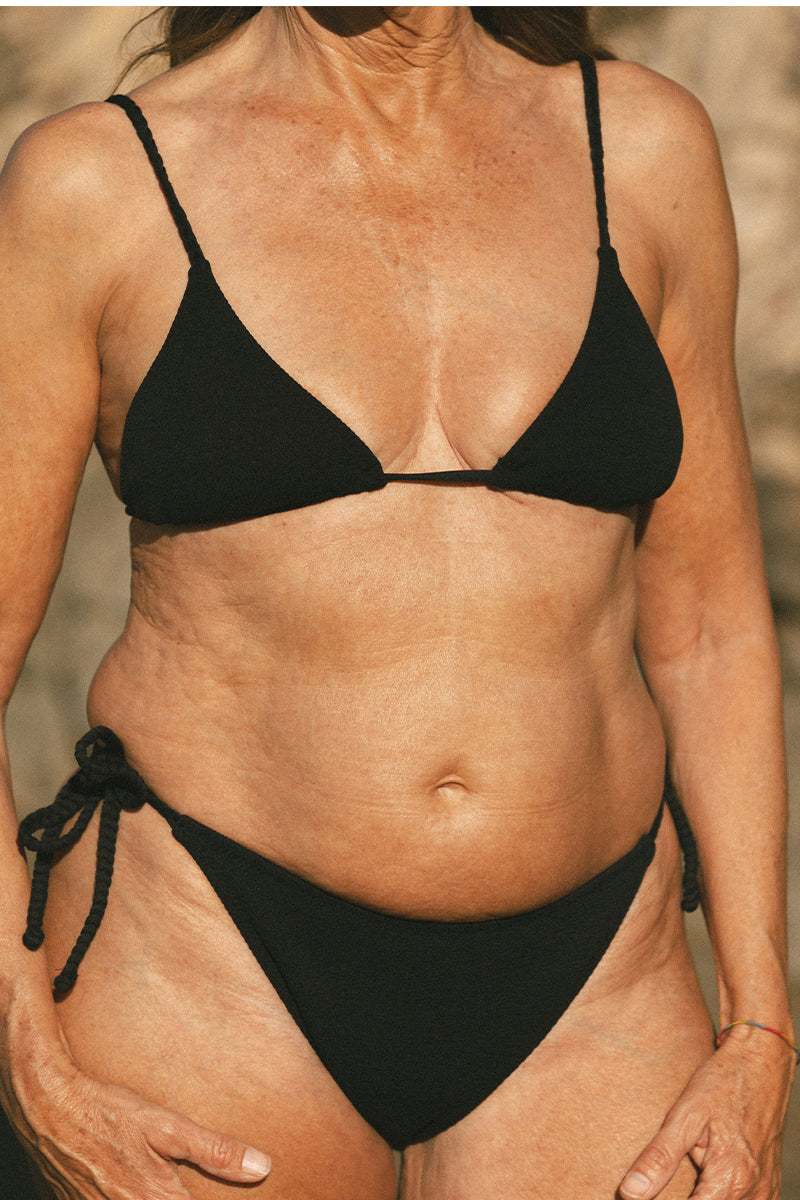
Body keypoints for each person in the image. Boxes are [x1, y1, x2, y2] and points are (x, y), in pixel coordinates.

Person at [0, 6, 795, 1199]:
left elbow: (711, 629)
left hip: (598, 988)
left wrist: (759, 1027)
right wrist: (27, 1057)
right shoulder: (97, 179)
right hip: (208, 965)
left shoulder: (638, 148)